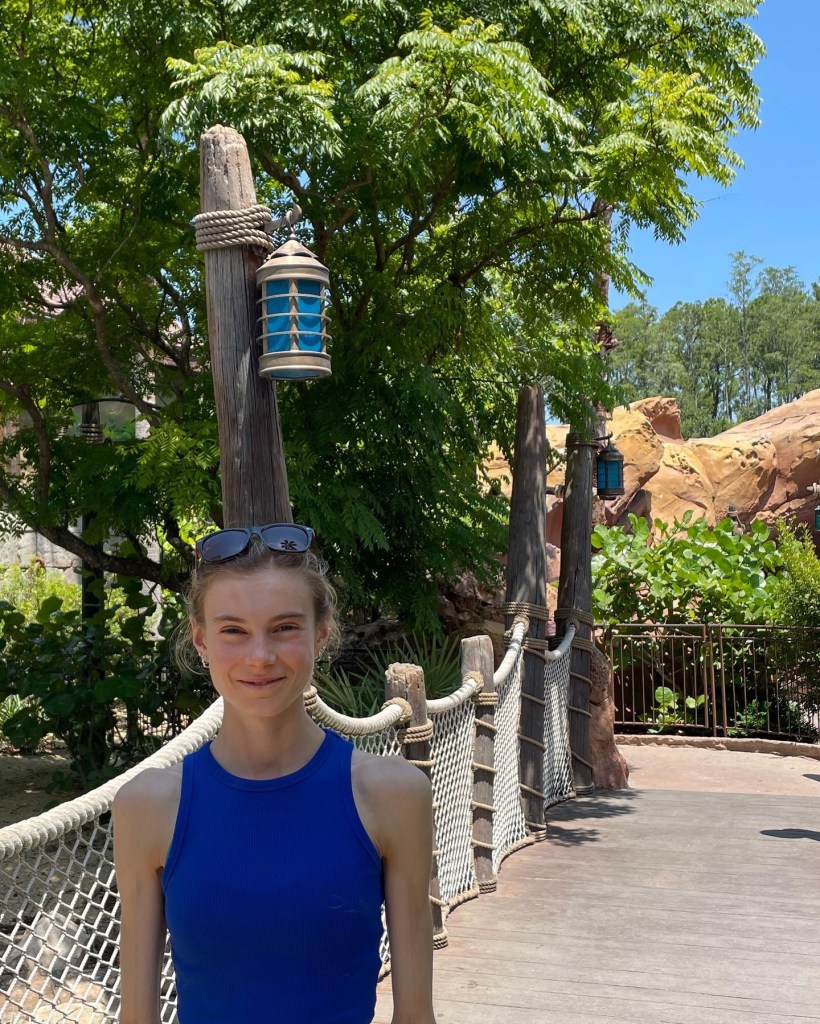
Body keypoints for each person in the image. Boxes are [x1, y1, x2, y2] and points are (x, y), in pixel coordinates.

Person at [113, 523, 437, 1024]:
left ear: (321, 633)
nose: (260, 657)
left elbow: (415, 1016)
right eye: (233, 631)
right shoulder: (147, 806)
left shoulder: (393, 795)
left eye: (284, 628)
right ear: (201, 640)